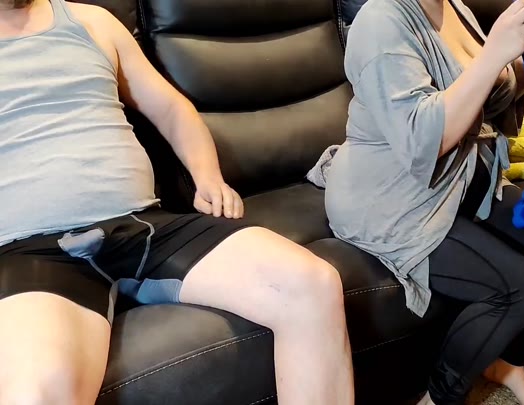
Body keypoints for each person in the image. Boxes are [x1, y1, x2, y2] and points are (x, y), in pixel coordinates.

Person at [0, 1, 354, 404]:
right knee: (38, 390)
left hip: (143, 227)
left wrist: (208, 178)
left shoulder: (91, 22)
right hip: (31, 250)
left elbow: (170, 108)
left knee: (311, 285)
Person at [324, 0, 524, 404]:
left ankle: (501, 362)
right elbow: (423, 140)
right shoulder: (379, 22)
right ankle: (439, 396)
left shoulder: (453, 7)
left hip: (456, 181)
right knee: (518, 288)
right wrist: (495, 51)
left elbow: (487, 98)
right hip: (390, 199)